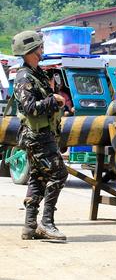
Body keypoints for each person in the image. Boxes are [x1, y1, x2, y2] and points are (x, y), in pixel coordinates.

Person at [12, 31, 67, 241]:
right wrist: (54, 100)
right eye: (39, 48)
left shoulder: (38, 74)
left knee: (38, 176)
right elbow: (30, 108)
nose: (42, 51)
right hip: (36, 136)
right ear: (30, 51)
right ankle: (46, 223)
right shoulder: (24, 77)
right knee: (59, 174)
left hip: (44, 134)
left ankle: (29, 226)